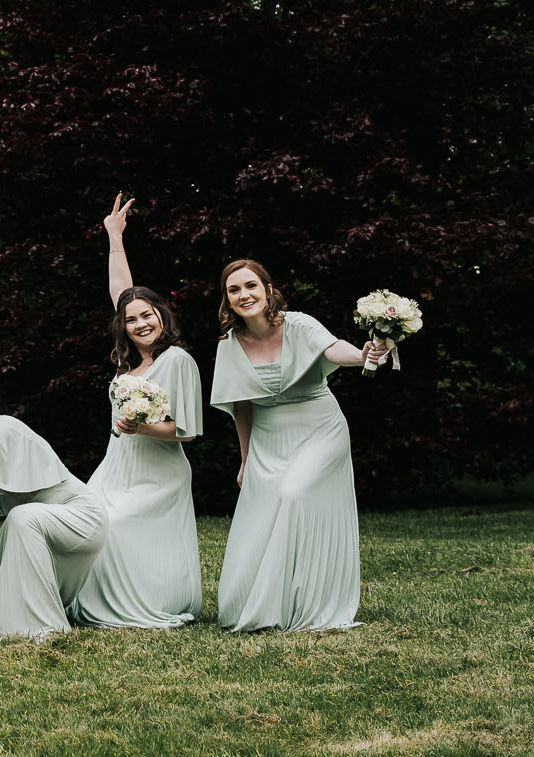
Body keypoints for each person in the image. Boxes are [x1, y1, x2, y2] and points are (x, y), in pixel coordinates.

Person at [211, 257, 386, 631]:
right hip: (268, 438)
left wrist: (362, 356)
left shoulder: (299, 323)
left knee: (293, 494)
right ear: (227, 301)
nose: (244, 295)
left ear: (268, 290)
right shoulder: (230, 344)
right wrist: (245, 460)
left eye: (251, 286)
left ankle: (313, 602)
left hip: (319, 429)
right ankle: (274, 605)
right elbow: (242, 407)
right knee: (267, 514)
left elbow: (333, 349)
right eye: (234, 290)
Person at [67, 195, 204, 628]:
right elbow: (120, 291)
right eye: (131, 319)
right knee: (90, 522)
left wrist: (141, 427)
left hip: (157, 471)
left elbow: (186, 431)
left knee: (121, 524)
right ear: (122, 326)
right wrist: (114, 237)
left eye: (148, 315)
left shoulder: (176, 361)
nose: (141, 323)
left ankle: (143, 603)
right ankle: (95, 602)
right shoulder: (132, 365)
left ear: (162, 315)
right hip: (117, 465)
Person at [0, 362, 107, 640]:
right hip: (47, 517)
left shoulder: (3, 427)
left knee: (21, 518)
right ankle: (7, 617)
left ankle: (38, 626)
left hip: (81, 515)